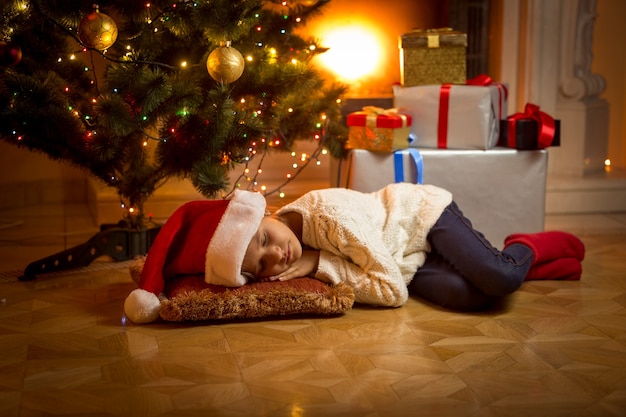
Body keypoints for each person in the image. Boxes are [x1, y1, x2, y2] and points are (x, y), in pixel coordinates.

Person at [123, 184, 585, 323]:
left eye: (264, 239)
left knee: (498, 278)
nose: (275, 258)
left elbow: (391, 294)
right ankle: (537, 267)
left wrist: (320, 264)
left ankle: (524, 248)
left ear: (268, 214)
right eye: (259, 267)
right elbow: (391, 278)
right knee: (472, 298)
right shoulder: (284, 249)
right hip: (400, 256)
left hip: (420, 216)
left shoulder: (329, 218)